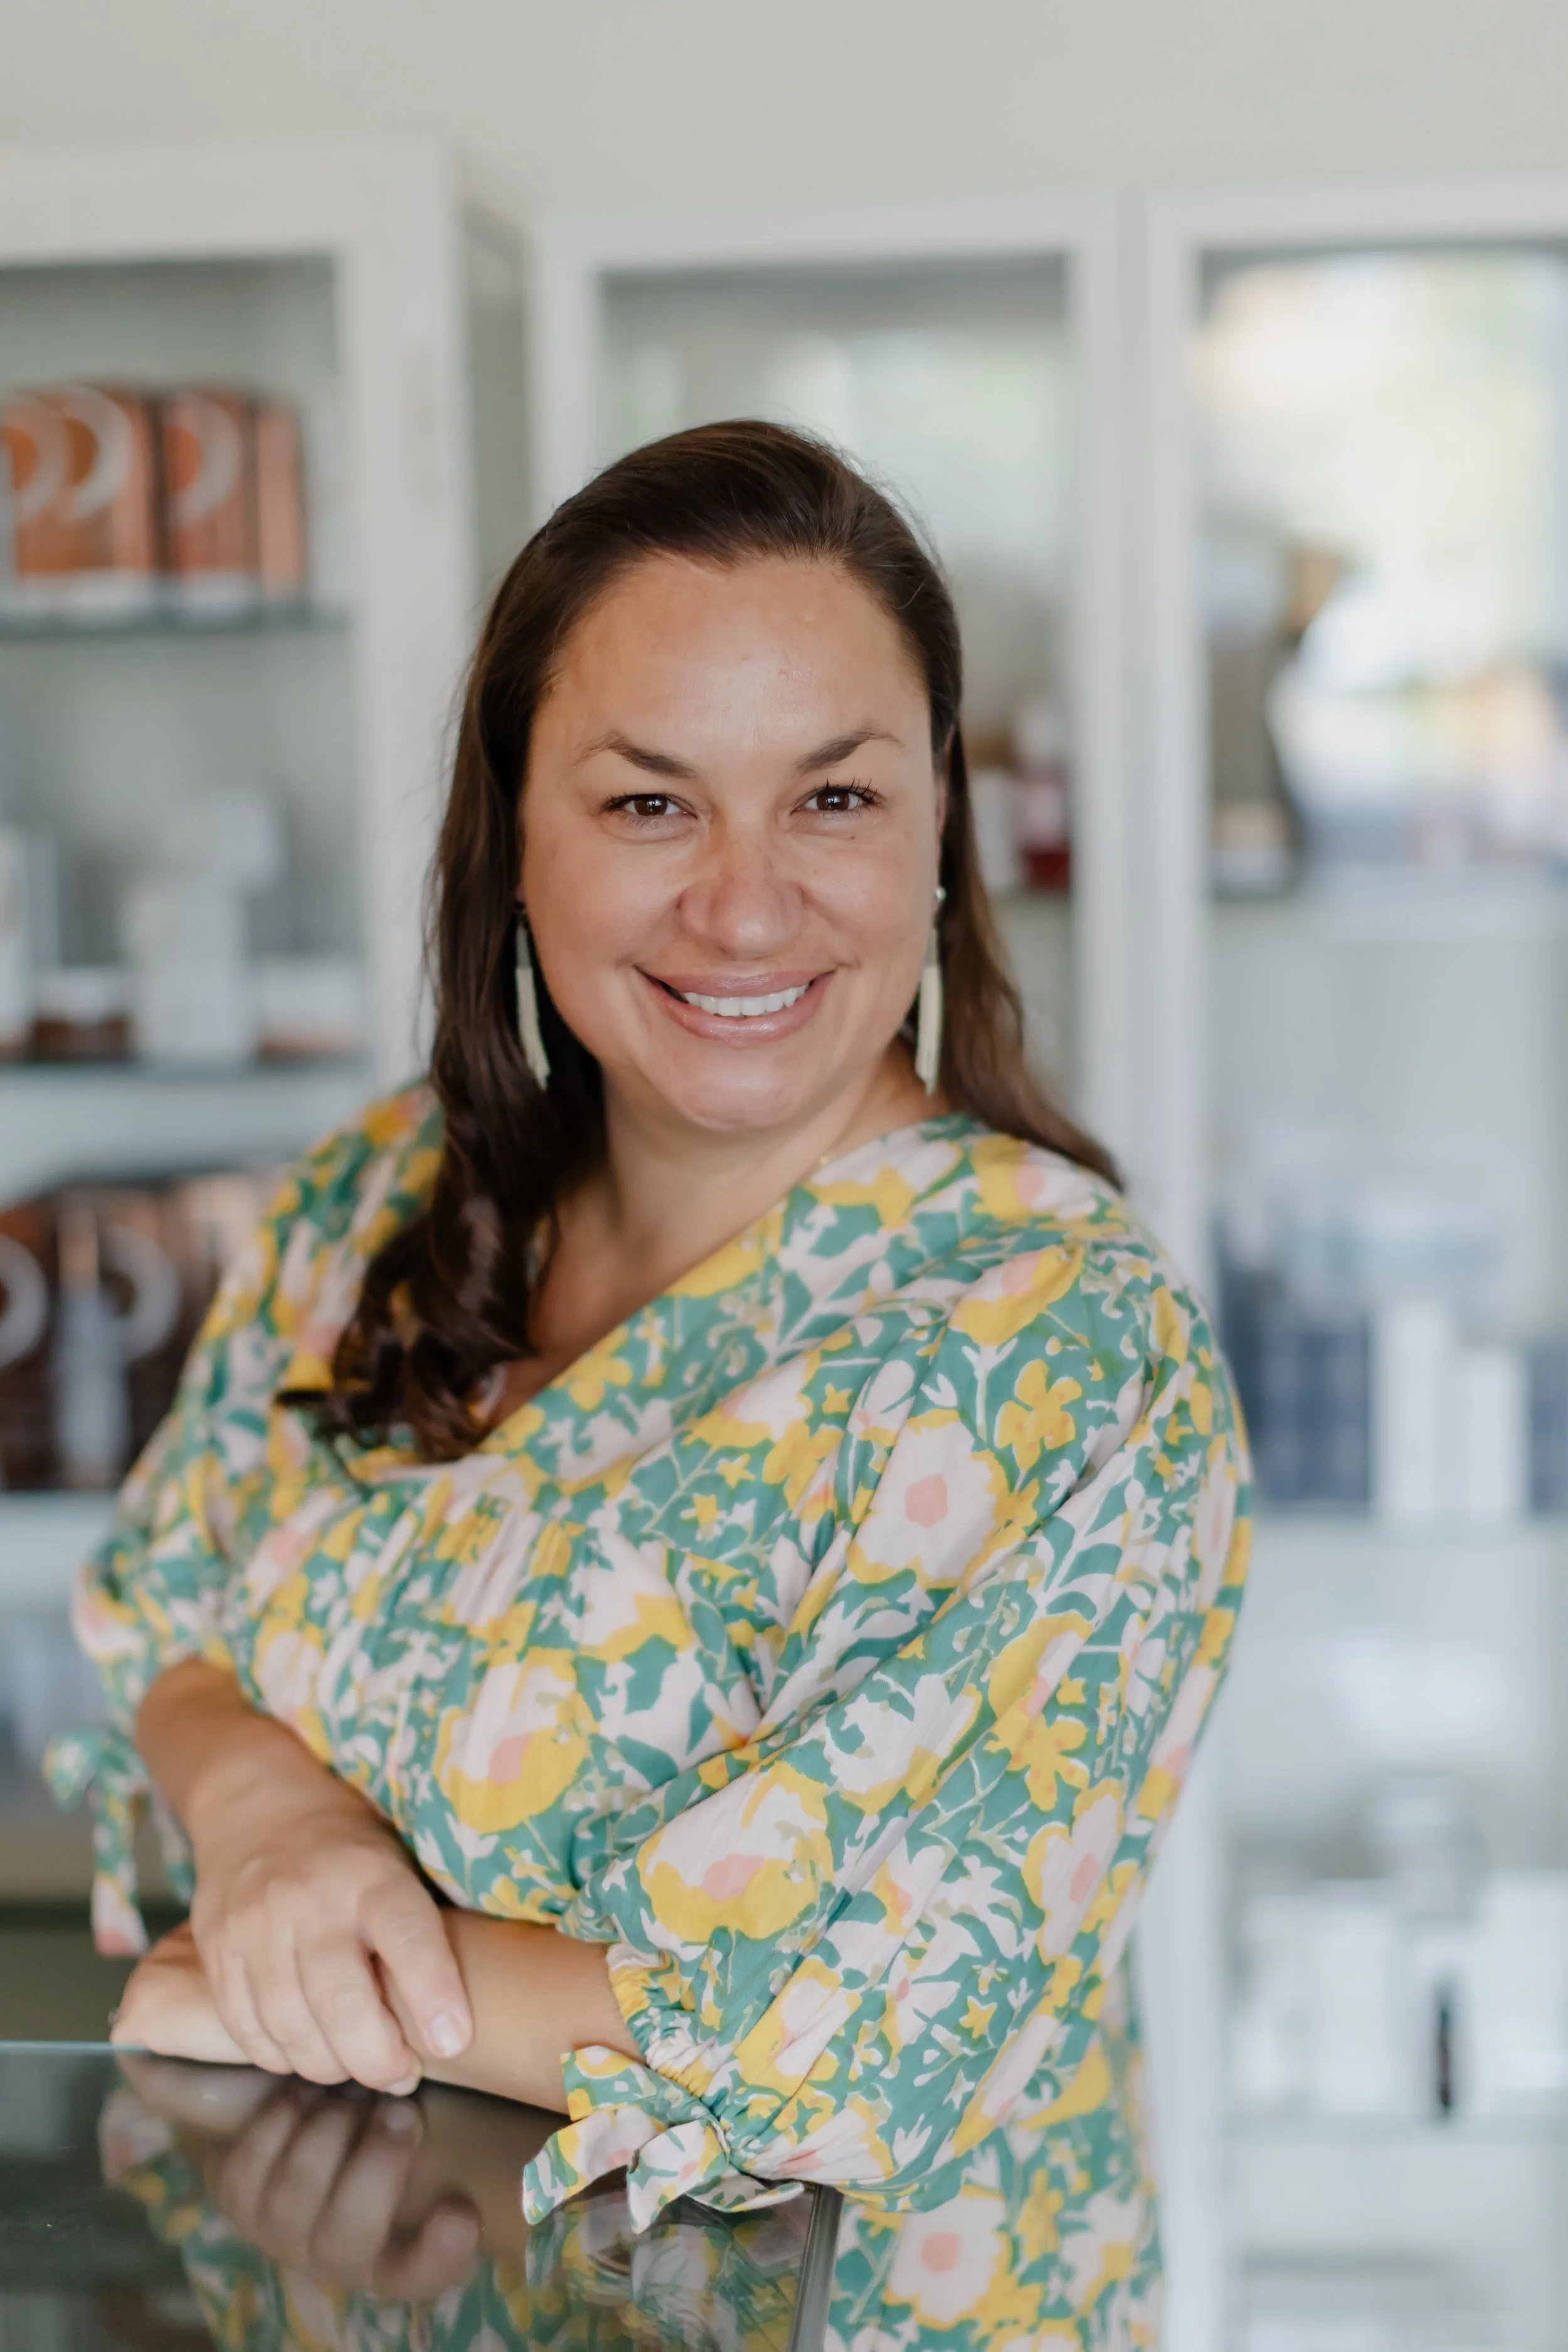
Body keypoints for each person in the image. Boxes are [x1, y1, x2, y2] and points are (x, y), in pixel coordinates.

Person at [50, 420, 1250, 2348]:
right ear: (511, 844)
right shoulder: (388, 1199)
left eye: (834, 799)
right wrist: (274, 1823)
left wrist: (282, 1974)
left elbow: (836, 2039)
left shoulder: (1052, 1345)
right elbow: (169, 1602)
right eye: (647, 806)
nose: (748, 907)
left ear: (939, 823)